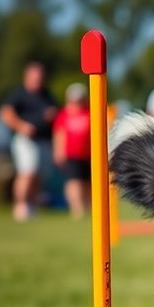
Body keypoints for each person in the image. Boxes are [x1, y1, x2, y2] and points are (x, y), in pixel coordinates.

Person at [0, 62, 57, 221]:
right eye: (35, 76)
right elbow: (6, 113)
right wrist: (21, 126)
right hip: (26, 140)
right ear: (27, 76)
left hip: (44, 140)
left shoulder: (46, 95)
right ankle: (20, 206)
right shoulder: (19, 94)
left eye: (40, 76)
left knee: (38, 176)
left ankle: (32, 206)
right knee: (27, 173)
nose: (38, 79)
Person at [52, 83, 90, 219]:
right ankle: (77, 209)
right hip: (71, 155)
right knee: (74, 182)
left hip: (88, 155)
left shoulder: (89, 112)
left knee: (86, 183)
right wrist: (58, 152)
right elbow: (59, 134)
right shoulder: (63, 115)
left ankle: (87, 208)